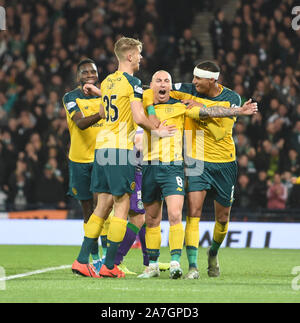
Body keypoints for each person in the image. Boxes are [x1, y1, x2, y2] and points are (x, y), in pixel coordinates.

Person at [71, 37, 176, 278]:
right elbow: (139, 117)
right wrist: (157, 131)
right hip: (120, 150)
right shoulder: (133, 82)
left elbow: (101, 111)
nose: (141, 58)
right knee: (121, 205)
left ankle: (81, 260)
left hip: (101, 148)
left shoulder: (107, 81)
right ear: (129, 56)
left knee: (103, 205)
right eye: (138, 54)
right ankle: (109, 265)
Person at [139, 70, 257, 279]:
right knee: (153, 219)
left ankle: (181, 261)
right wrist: (150, 122)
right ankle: (159, 266)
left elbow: (211, 114)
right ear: (151, 85)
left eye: (167, 80)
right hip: (153, 166)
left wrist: (239, 110)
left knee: (179, 215)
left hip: (182, 166)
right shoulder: (142, 107)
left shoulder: (181, 106)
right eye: (158, 81)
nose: (163, 84)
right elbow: (137, 121)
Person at [62, 58, 104, 274]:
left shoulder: (104, 95)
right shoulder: (70, 97)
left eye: (93, 72)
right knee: (88, 211)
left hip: (102, 158)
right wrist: (100, 114)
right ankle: (95, 257)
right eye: (85, 72)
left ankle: (105, 259)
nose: (89, 75)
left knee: (102, 207)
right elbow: (80, 123)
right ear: (78, 77)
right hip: (79, 161)